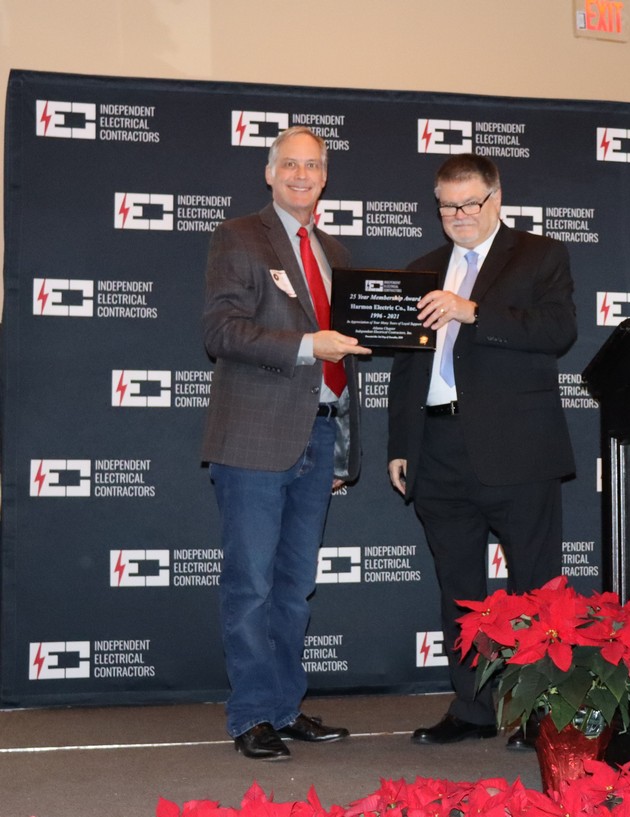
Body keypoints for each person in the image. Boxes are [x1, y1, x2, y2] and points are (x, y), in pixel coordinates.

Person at [387, 153, 577, 749]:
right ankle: (471, 709)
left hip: (520, 449)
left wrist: (473, 311)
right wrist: (401, 444)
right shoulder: (421, 270)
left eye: (470, 203)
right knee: (460, 589)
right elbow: (406, 366)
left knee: (536, 586)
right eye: (448, 206)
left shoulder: (541, 255)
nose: (460, 215)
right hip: (437, 448)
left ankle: (542, 713)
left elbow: (558, 332)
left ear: (496, 198)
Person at [201, 126, 371, 761]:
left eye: (313, 165)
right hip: (253, 436)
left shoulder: (335, 251)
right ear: (269, 174)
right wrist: (306, 345)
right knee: (251, 585)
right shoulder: (239, 236)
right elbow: (221, 331)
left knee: (296, 587)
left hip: (319, 434)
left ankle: (284, 707)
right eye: (290, 165)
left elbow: (346, 352)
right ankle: (251, 714)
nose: (302, 175)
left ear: (325, 177)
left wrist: (343, 442)